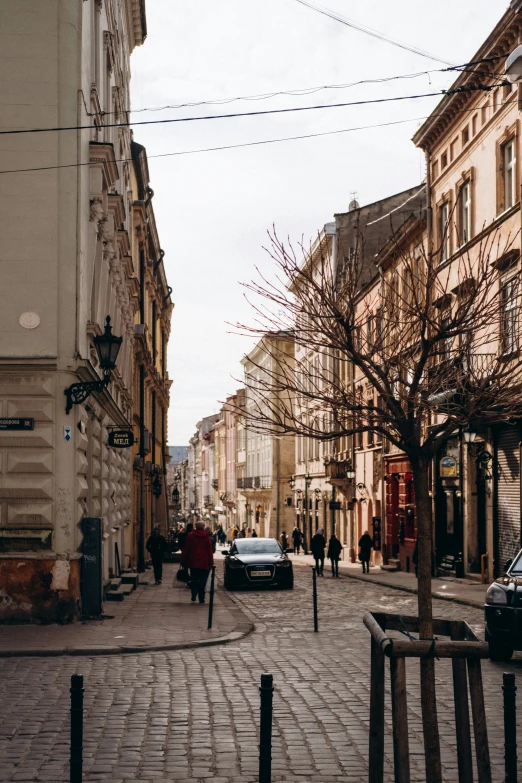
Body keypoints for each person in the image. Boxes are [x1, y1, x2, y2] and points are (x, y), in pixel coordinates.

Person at [181, 520, 214, 603]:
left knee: (194, 579)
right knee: (203, 581)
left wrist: (183, 558)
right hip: (204, 562)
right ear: (203, 527)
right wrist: (211, 562)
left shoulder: (191, 536)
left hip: (193, 562)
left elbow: (186, 548)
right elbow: (209, 551)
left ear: (196, 527)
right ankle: (201, 597)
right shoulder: (207, 537)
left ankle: (193, 594)